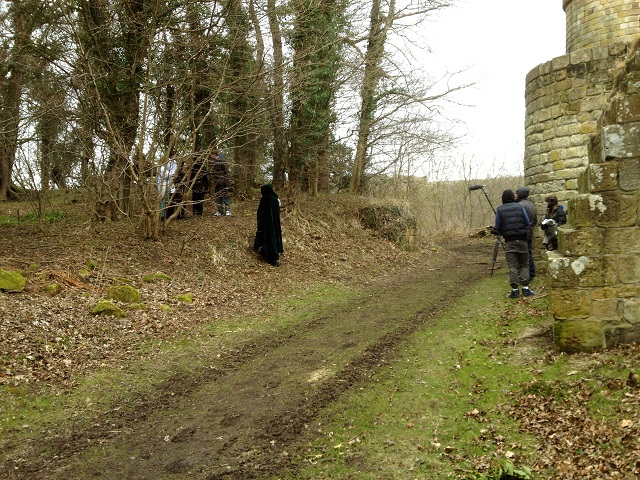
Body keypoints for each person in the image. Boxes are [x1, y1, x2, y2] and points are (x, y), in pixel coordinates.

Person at [494, 189, 534, 299]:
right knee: (524, 265)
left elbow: (497, 226)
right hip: (522, 240)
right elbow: (527, 222)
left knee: (512, 266)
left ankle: (515, 290)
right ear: (512, 197)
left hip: (509, 241)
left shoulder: (500, 210)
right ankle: (526, 289)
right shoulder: (520, 207)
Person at [253, 184, 283, 267]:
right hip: (275, 224)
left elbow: (261, 212)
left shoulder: (265, 199)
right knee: (274, 237)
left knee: (268, 238)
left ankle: (270, 257)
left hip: (266, 224)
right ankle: (275, 255)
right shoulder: (276, 199)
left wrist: (260, 222)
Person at [515, 186, 537, 282]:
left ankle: (525, 276)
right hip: (529, 232)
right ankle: (531, 274)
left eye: (516, 193)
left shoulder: (519, 205)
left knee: (523, 256)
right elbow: (535, 220)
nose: (515, 195)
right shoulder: (531, 204)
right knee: (529, 254)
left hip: (522, 233)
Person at [211, 150, 232, 216]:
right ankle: (219, 211)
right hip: (216, 183)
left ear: (214, 154)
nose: (211, 156)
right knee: (218, 197)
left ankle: (228, 210)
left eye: (212, 155)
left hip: (223, 182)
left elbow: (226, 172)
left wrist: (227, 183)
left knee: (225, 196)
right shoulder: (214, 162)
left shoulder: (222, 161)